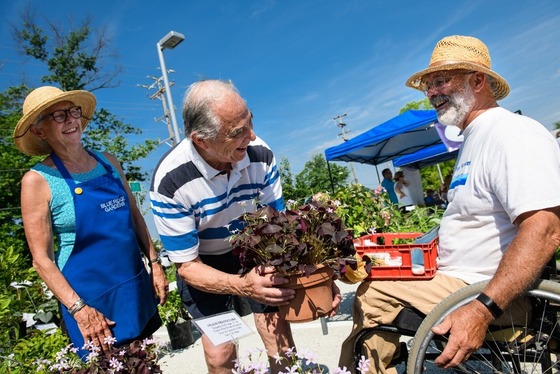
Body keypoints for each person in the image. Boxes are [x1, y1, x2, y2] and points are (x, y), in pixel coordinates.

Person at [338, 35, 560, 373]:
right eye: (429, 85)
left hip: (490, 293)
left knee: (374, 293)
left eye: (440, 81)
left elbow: (545, 229)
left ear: (478, 80)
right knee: (377, 275)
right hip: (459, 280)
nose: (431, 93)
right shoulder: (475, 138)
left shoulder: (512, 134)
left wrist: (482, 309)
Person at [150, 79, 341, 374]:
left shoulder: (260, 155)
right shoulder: (170, 182)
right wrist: (241, 286)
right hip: (204, 262)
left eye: (250, 121)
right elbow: (187, 266)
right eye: (237, 132)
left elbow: (283, 230)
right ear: (201, 140)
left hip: (254, 253)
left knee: (278, 336)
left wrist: (322, 276)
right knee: (221, 353)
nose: (251, 136)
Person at [15, 86, 168, 357]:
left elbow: (135, 216)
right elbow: (42, 260)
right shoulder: (37, 181)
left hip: (133, 285)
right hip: (91, 303)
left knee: (146, 361)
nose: (71, 120)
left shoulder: (108, 162)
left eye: (73, 112)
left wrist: (155, 263)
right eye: (58, 116)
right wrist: (79, 310)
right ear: (40, 131)